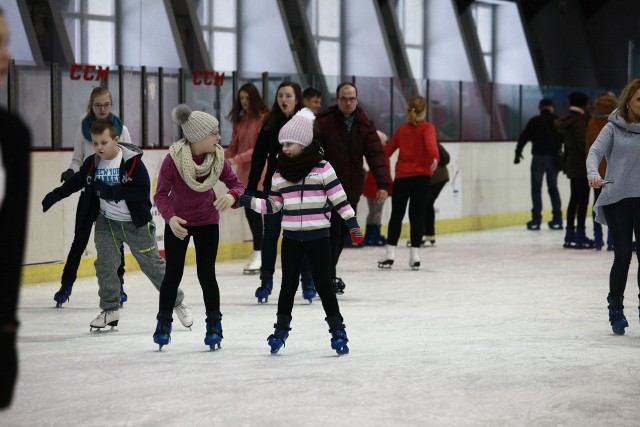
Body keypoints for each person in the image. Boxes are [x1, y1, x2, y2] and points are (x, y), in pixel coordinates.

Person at [42, 121, 193, 331]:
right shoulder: (93, 163)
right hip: (107, 223)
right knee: (105, 265)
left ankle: (177, 301)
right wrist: (57, 194)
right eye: (95, 143)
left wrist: (117, 192)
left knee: (153, 267)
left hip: (135, 225)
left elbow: (142, 191)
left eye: (103, 142)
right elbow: (78, 180)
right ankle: (110, 310)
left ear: (116, 140)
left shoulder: (132, 163)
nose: (99, 148)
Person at [237, 108, 364, 355]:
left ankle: (337, 330)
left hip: (319, 238)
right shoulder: (279, 173)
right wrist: (246, 200)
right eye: (283, 143)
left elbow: (339, 199)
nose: (284, 148)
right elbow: (272, 205)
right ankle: (281, 328)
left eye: (290, 143)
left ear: (304, 144)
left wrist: (352, 223)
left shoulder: (323, 169)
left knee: (324, 285)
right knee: (287, 285)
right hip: (292, 238)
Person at [153, 104, 244, 351]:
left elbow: (238, 184)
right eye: (214, 133)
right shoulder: (173, 160)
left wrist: (233, 196)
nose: (219, 137)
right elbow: (160, 195)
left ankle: (214, 325)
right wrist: (170, 218)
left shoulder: (217, 158)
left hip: (206, 221)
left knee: (207, 274)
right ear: (198, 136)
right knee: (172, 274)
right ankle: (163, 323)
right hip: (179, 223)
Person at [54, 86, 130, 308]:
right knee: (79, 240)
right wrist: (71, 172)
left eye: (106, 105)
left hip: (113, 194)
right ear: (91, 105)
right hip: (90, 193)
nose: (103, 109)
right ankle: (66, 285)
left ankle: (119, 285)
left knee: (116, 242)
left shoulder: (121, 129)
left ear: (111, 105)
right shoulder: (83, 130)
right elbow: (77, 159)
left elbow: (130, 158)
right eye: (98, 105)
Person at [316, 82, 390, 293]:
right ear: (337, 100)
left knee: (340, 235)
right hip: (325, 188)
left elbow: (376, 155)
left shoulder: (364, 124)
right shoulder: (324, 122)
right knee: (328, 234)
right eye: (344, 98)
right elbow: (314, 153)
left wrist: (383, 184)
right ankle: (325, 275)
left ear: (357, 100)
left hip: (350, 189)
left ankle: (328, 273)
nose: (348, 102)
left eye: (352, 99)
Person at [246, 81, 316, 304]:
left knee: (302, 233)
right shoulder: (270, 123)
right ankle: (265, 281)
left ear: (297, 99)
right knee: (271, 234)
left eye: (288, 95)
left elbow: (316, 154)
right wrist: (251, 185)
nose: (283, 100)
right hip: (274, 187)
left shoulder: (306, 124)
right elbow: (258, 157)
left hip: (300, 187)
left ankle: (307, 280)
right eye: (280, 96)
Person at [587, 79, 640, 336]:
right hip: (618, 199)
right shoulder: (613, 128)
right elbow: (594, 153)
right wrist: (593, 173)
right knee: (622, 256)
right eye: (639, 99)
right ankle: (615, 309)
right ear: (628, 100)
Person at [0, 6, 31, 409]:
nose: (7, 55)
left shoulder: (11, 135)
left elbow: (8, 244)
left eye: (7, 42)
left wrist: (6, 331)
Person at [378, 96, 439, 270]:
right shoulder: (428, 128)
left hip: (403, 178)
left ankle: (390, 253)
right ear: (425, 110)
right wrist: (434, 157)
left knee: (397, 214)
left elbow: (386, 152)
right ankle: (415, 256)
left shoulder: (402, 130)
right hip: (421, 178)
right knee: (417, 215)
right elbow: (430, 144)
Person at [225, 82, 268, 274]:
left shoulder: (263, 119)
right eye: (241, 98)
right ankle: (259, 252)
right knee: (250, 213)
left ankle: (260, 253)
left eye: (247, 98)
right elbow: (234, 146)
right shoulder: (240, 121)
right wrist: (219, 155)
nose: (244, 102)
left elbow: (259, 148)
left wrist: (236, 158)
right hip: (244, 175)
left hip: (259, 173)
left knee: (256, 212)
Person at [514, 98, 564, 230]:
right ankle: (557, 219)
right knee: (553, 188)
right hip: (554, 158)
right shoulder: (558, 120)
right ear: (551, 107)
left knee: (536, 188)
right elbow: (565, 138)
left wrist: (518, 153)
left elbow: (523, 137)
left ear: (540, 108)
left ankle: (536, 220)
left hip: (538, 158)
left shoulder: (535, 121)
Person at [556, 91, 593, 248]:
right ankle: (579, 234)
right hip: (582, 166)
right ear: (583, 105)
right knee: (582, 201)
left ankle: (570, 233)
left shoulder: (568, 119)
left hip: (572, 164)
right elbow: (583, 144)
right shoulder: (579, 121)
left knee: (574, 200)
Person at [585, 92, 617, 250]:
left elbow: (589, 149)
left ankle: (598, 238)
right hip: (614, 173)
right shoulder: (616, 125)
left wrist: (591, 171)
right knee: (614, 207)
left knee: (597, 204)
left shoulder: (592, 123)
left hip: (597, 173)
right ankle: (612, 239)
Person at [363, 130, 392, 247]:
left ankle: (369, 236)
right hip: (379, 187)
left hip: (369, 186)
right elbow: (386, 174)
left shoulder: (370, 153)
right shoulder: (383, 155)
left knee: (372, 212)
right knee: (378, 212)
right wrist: (390, 187)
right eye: (385, 142)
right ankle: (375, 235)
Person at [421, 141, 450, 246]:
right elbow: (446, 157)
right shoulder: (433, 142)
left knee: (422, 205)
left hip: (433, 178)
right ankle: (430, 233)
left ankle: (421, 234)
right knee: (428, 204)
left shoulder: (423, 144)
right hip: (442, 177)